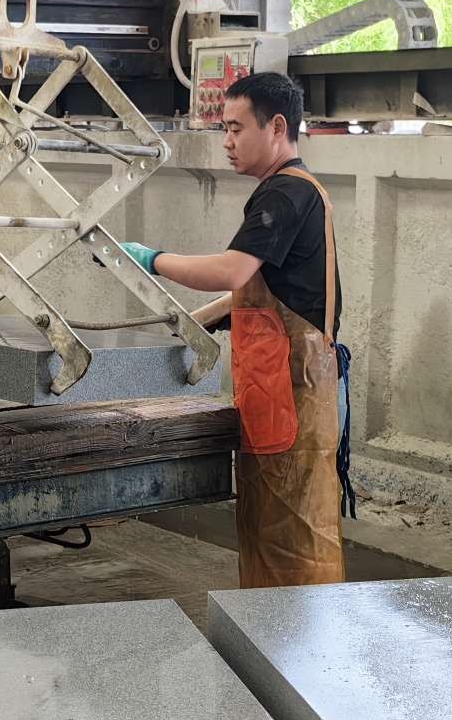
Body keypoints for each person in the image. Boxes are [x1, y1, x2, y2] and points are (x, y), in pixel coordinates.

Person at [120, 72, 344, 588]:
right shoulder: (297, 190)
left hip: (290, 398)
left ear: (277, 127)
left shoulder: (285, 194)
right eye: (224, 128)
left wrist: (152, 259)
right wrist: (192, 323)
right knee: (271, 529)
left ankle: (290, 634)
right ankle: (270, 629)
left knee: (291, 540)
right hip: (282, 396)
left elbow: (231, 270)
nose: (227, 141)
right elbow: (268, 287)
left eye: (237, 128)